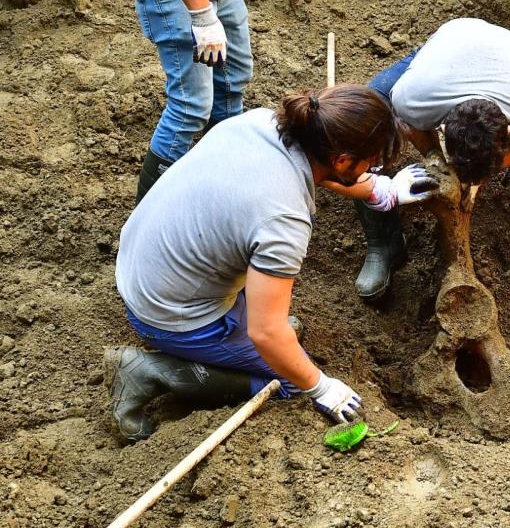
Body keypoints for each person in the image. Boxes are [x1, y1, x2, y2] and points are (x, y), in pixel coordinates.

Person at [105, 86, 437, 442]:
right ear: (342, 160)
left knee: (280, 338)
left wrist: (377, 190)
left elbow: (318, 172)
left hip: (143, 262)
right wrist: (321, 387)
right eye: (369, 164)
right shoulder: (283, 220)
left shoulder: (262, 122)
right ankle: (151, 373)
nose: (371, 170)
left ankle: (234, 336)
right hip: (168, 312)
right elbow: (266, 332)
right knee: (290, 381)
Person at [124, 0, 311, 201]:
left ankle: (222, 184)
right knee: (191, 104)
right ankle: (147, 218)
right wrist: (201, 14)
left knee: (232, 78)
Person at [352, 17, 510, 300]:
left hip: (508, 55)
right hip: (450, 46)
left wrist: (485, 175)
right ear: (442, 127)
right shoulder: (415, 96)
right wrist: (434, 158)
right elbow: (410, 124)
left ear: (508, 132)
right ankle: (386, 243)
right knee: (362, 129)